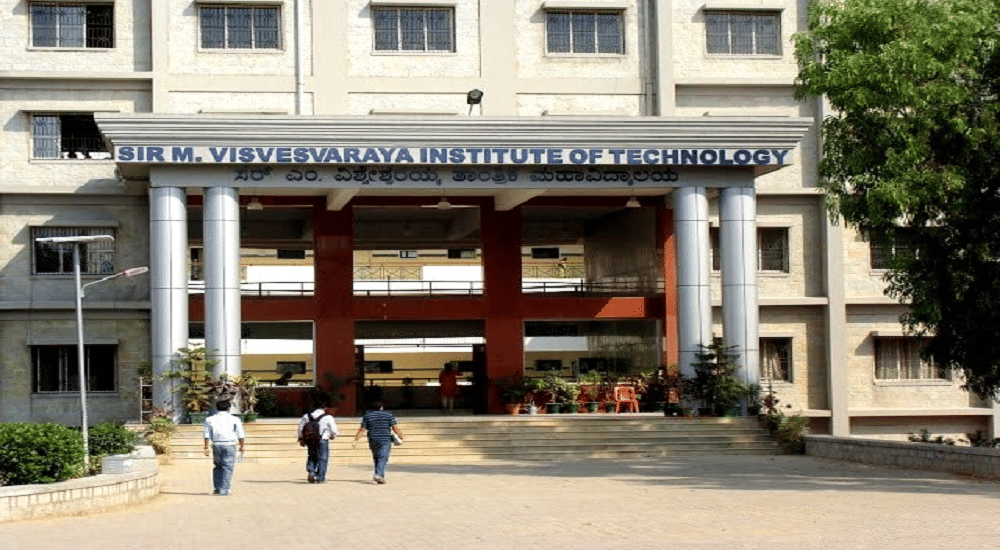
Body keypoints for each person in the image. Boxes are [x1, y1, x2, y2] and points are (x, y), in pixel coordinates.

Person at [353, 401, 402, 484]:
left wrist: (356, 439)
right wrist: (400, 435)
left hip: (373, 439)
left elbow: (362, 429)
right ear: (382, 408)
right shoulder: (389, 415)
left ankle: (380, 477)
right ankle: (378, 474)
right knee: (383, 457)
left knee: (376, 457)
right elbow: (395, 428)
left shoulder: (368, 416)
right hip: (385, 439)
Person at [202, 400, 245, 496]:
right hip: (229, 444)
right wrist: (242, 446)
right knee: (228, 467)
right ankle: (225, 490)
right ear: (228, 408)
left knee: (217, 466)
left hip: (216, 444)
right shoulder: (235, 419)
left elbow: (206, 434)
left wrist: (206, 447)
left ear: (217, 408)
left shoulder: (210, 419)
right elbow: (240, 434)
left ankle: (217, 488)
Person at [297, 405, 340, 483]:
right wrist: (332, 435)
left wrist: (300, 438)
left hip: (310, 439)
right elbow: (334, 430)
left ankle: (311, 471)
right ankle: (320, 477)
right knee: (323, 458)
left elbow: (300, 428)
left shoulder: (306, 416)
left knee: (311, 456)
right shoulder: (328, 417)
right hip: (323, 439)